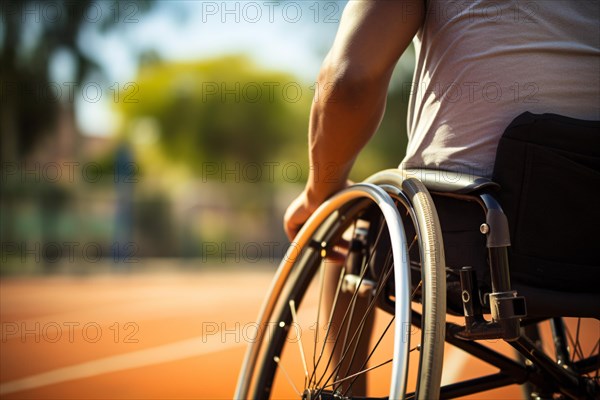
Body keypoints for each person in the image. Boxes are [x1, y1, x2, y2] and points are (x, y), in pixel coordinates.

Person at [284, 0, 600, 241]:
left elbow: (349, 84)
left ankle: (337, 330)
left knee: (353, 213)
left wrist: (320, 192)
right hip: (587, 226)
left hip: (470, 213)